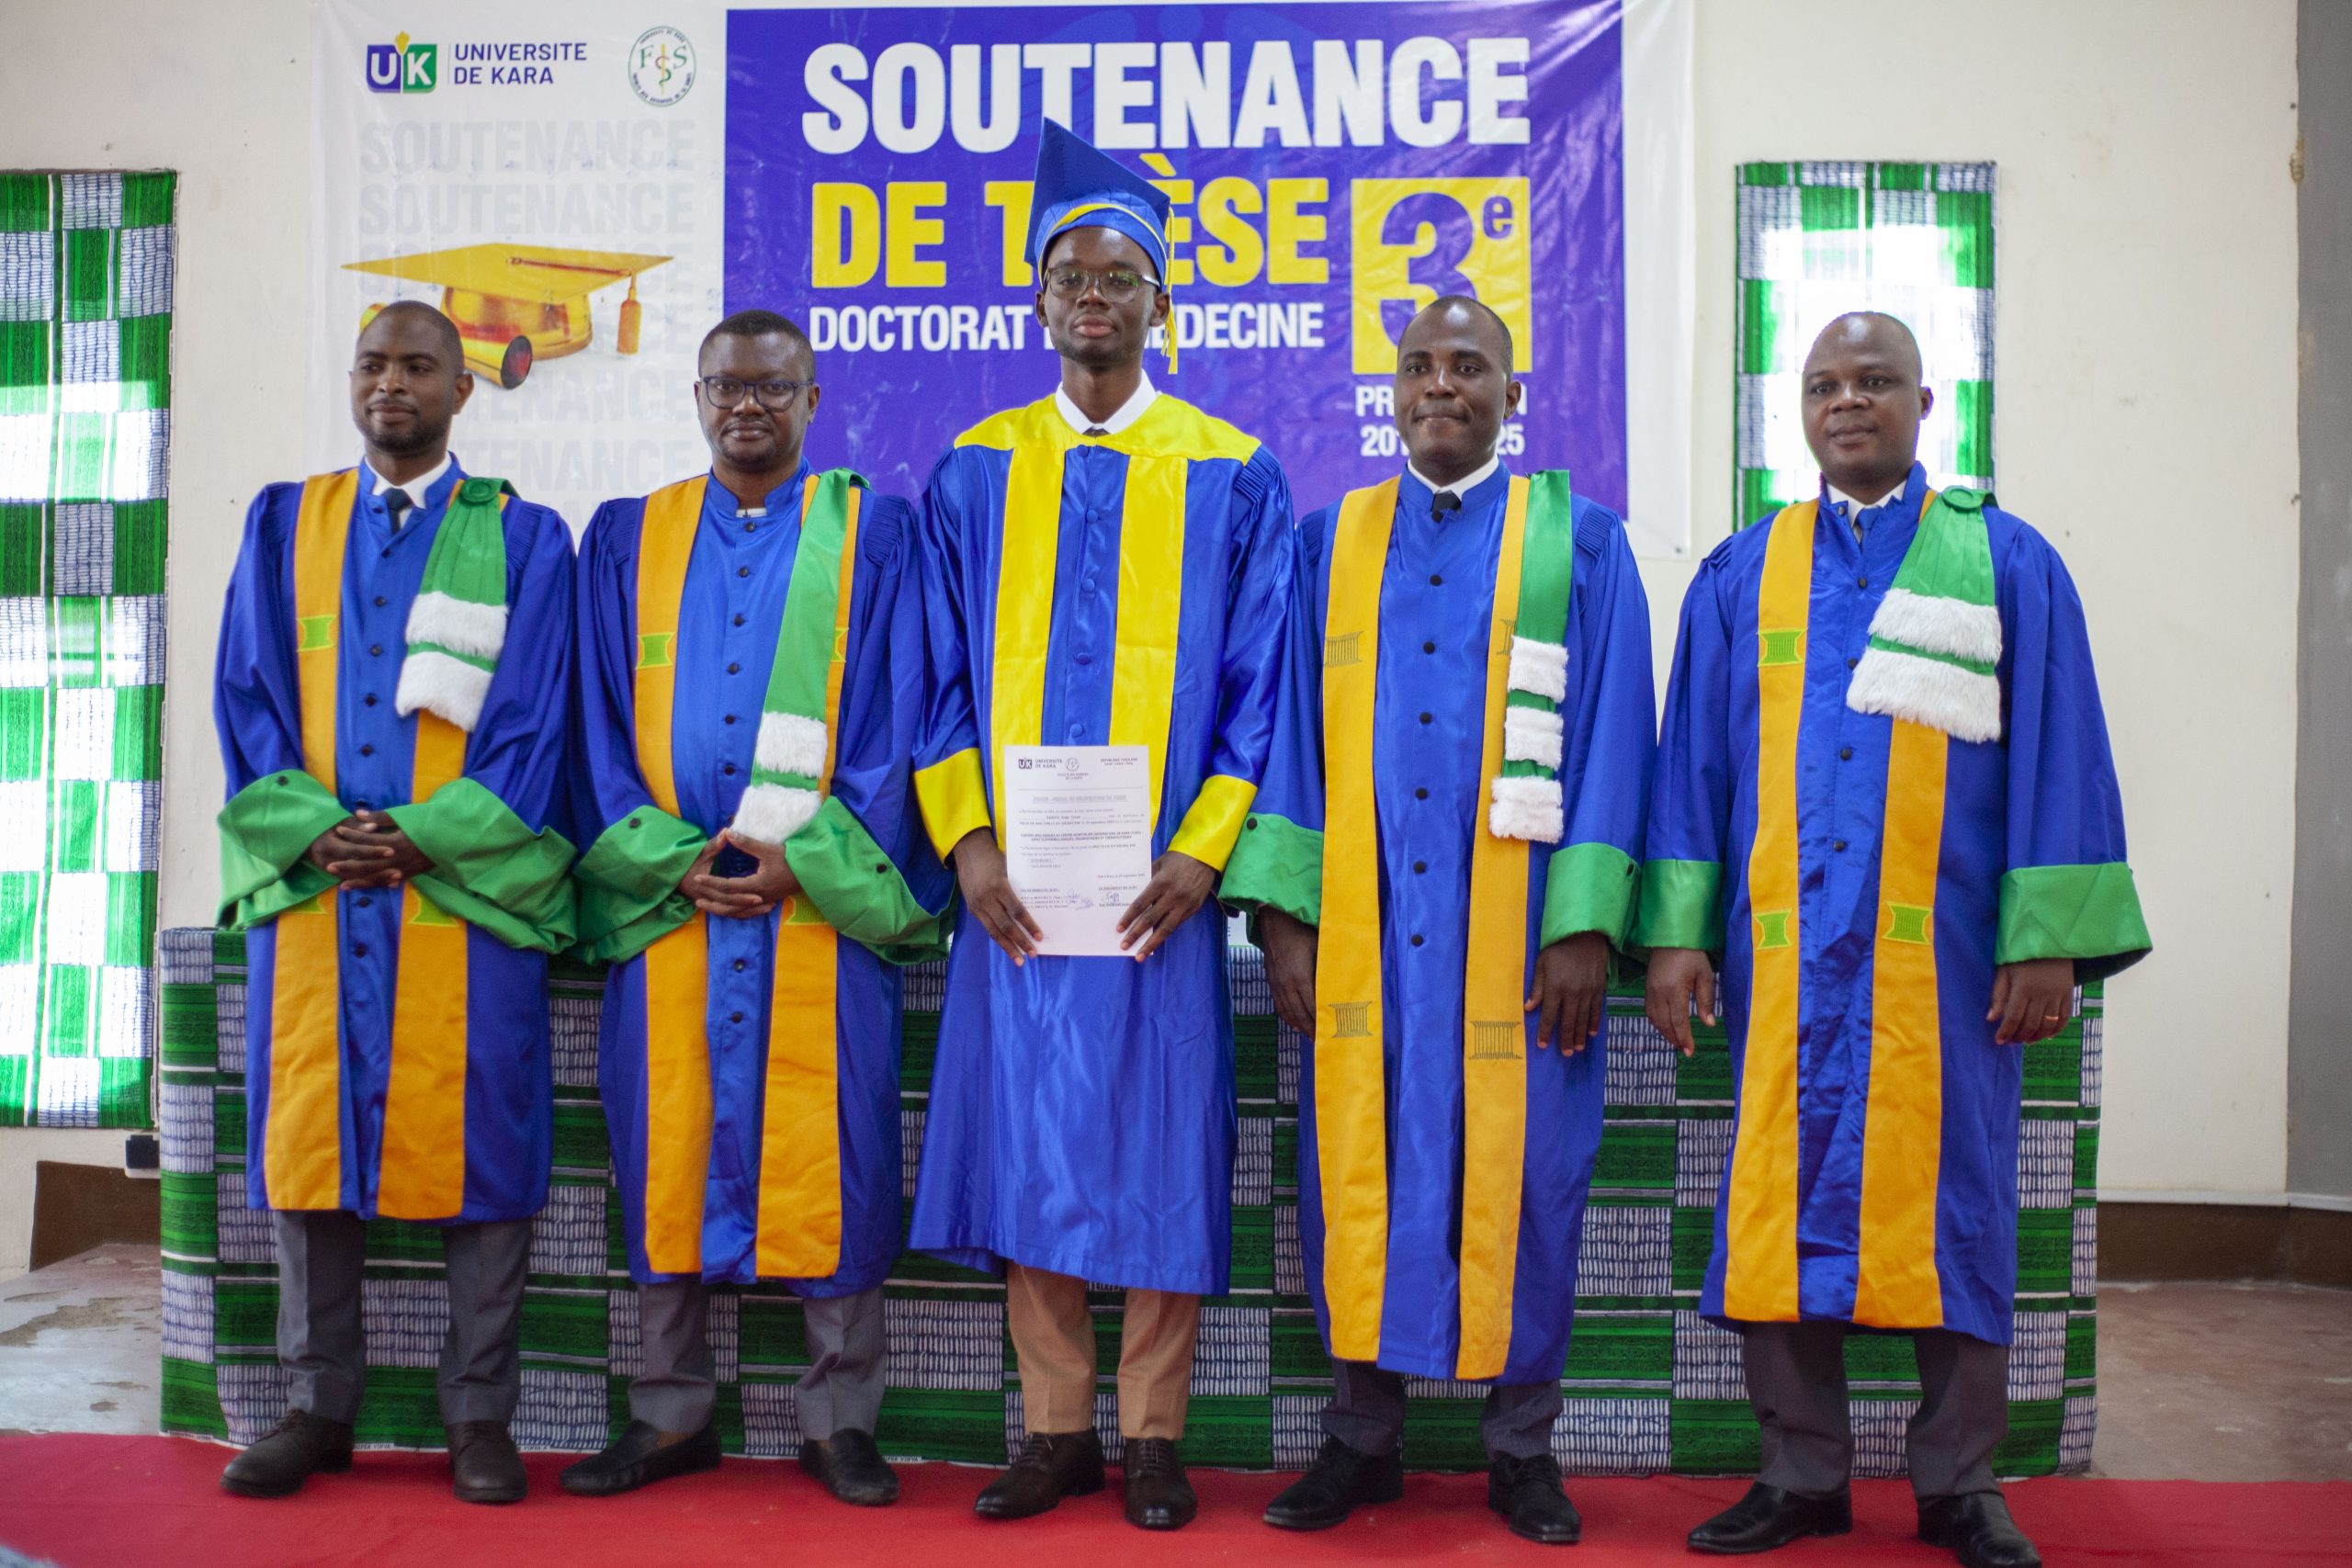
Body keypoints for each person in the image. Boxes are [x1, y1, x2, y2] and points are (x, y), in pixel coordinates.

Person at [1640, 312, 2150, 1568]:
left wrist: (2046, 940)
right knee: (1777, 1201)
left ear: (1928, 404)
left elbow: (2062, 752)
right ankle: (1801, 1473)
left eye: (1876, 381)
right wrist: (1677, 935)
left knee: (1956, 1201)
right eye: (1824, 384)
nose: (1848, 401)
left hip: (1948, 962)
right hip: (1779, 956)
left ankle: (1960, 1485)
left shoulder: (2005, 563)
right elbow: (1692, 766)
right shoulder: (1743, 573)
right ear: (1800, 412)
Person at [906, 119, 1296, 1532]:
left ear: (1160, 305)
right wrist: (968, 844)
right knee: (1033, 1145)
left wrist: (1205, 849)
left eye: (1119, 276)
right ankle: (1059, 1430)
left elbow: (1261, 684)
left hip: (1157, 895)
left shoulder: (1234, 473)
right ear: (1036, 300)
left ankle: (1154, 1435)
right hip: (1016, 891)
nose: (1093, 296)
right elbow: (935, 682)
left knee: (1163, 1146)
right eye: (1070, 274)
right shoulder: (972, 474)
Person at [1222, 296, 1655, 1546]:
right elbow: (1285, 736)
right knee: (1357, 1170)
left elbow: (1618, 736)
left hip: (1519, 939)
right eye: (1419, 366)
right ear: (1393, 392)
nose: (1440, 385)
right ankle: (1362, 1440)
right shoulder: (1329, 542)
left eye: (1469, 366)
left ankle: (1522, 1451)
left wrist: (1584, 925)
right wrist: (1284, 919)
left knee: (1528, 1178)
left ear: (1513, 395)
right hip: (1367, 932)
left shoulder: (1581, 543)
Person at [559, 310, 950, 1505]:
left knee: (837, 1150)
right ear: (696, 396)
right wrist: (666, 857)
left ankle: (839, 1420)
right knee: (665, 1147)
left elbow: (896, 723)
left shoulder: (873, 536)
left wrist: (809, 861)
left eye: (774, 387)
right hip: (670, 911)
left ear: (813, 401)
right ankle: (669, 1412)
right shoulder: (629, 539)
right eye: (726, 384)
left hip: (819, 915)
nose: (748, 405)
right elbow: (593, 724)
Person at [211, 301, 576, 1504]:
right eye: (373, 363)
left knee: (485, 1152)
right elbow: (248, 699)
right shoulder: (286, 522)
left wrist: (422, 838)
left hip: (464, 901)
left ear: (465, 389)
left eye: (421, 366)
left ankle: (479, 1416)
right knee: (310, 1147)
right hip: (317, 896)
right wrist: (316, 832)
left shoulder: (525, 538)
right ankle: (316, 1408)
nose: (392, 384)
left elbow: (534, 725)